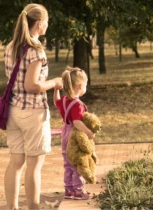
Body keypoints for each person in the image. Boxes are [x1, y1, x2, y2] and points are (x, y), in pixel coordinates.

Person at [3, 3, 63, 210]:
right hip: (33, 113)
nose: (47, 25)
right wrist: (54, 82)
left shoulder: (10, 47)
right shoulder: (36, 51)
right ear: (39, 24)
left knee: (15, 162)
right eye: (46, 22)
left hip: (12, 111)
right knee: (34, 166)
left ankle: (11, 208)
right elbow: (32, 85)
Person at [53, 67, 95, 200]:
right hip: (74, 135)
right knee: (78, 162)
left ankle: (69, 189)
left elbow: (56, 102)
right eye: (86, 85)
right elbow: (77, 122)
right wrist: (88, 132)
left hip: (65, 132)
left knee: (67, 163)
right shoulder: (78, 104)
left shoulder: (65, 100)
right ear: (81, 86)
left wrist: (56, 91)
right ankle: (78, 191)